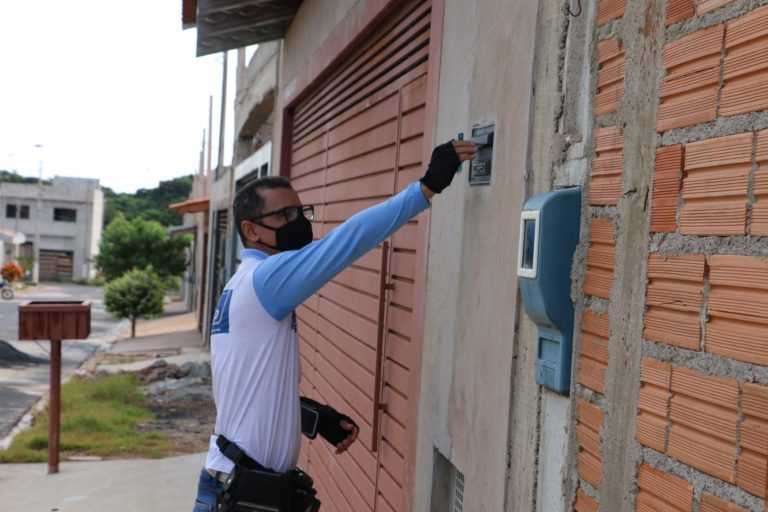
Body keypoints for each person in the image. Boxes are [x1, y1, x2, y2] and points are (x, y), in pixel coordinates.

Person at [192, 140, 478, 511]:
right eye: (285, 215)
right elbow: (347, 240)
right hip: (243, 495)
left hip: (243, 487)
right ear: (251, 230)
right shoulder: (266, 278)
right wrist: (424, 189)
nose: (299, 222)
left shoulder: (242, 284)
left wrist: (310, 416)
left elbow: (246, 387)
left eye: (300, 212)